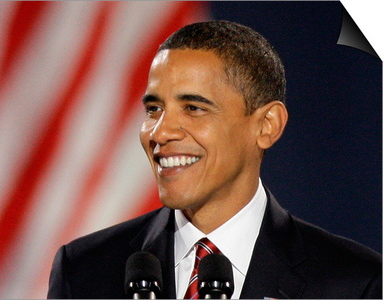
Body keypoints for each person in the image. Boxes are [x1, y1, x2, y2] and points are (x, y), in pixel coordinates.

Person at [47, 20, 381, 299]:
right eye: (154, 109)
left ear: (267, 126)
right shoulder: (83, 272)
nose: (160, 133)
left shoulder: (354, 283)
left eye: (193, 108)